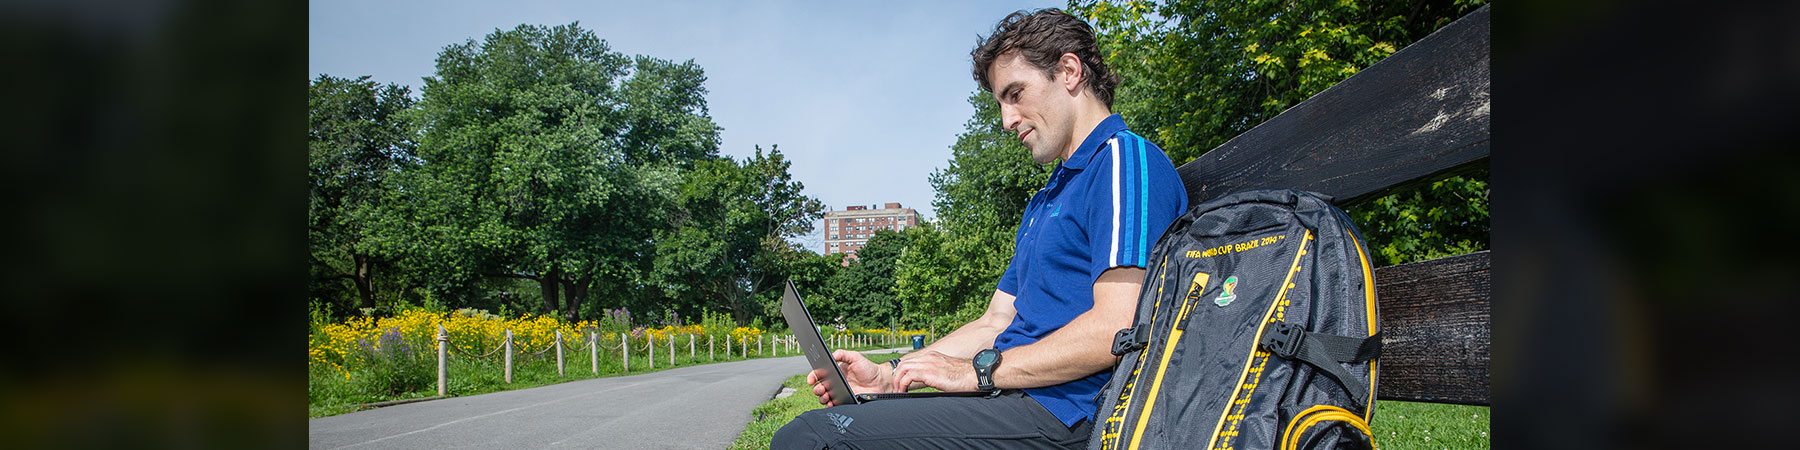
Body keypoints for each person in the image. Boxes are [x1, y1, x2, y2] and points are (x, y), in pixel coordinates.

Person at [771, 8, 1187, 449]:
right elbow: (996, 320)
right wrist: (893, 373)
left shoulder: (1123, 162)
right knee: (837, 421)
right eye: (1000, 103)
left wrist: (975, 371)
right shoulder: (1048, 198)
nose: (1007, 121)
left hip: (1071, 414)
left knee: (813, 438)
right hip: (1015, 399)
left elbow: (1118, 326)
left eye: (1016, 93)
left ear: (1069, 71)